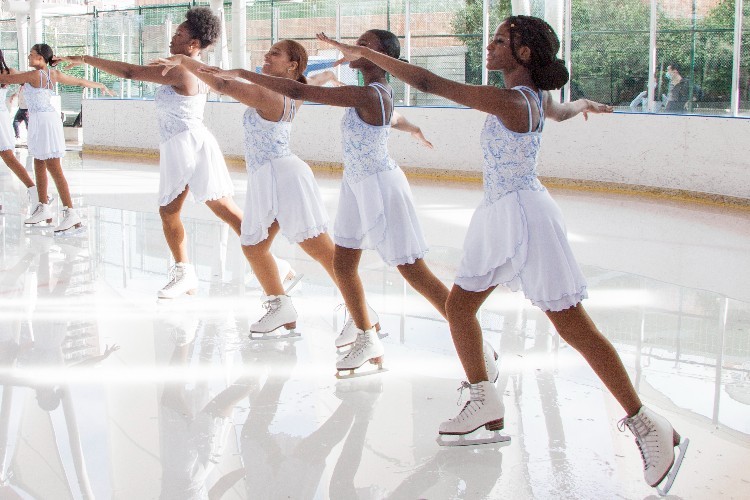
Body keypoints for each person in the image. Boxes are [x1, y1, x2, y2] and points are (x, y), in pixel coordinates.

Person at [317, 15, 689, 495]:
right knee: (460, 308)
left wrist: (364, 53)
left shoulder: (514, 101)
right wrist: (585, 103)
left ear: (524, 55)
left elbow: (430, 82)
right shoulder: (534, 99)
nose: (489, 46)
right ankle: (484, 399)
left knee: (572, 325)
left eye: (499, 41)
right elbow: (558, 111)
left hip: (526, 217)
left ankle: (647, 425)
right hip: (501, 211)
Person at [200, 30, 498, 377]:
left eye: (364, 45)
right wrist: (413, 126)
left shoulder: (368, 93)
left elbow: (298, 90)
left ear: (381, 57)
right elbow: (393, 118)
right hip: (357, 186)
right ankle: (367, 335)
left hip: (381, 187)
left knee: (416, 273)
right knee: (343, 266)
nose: (355, 48)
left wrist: (240, 73)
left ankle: (477, 344)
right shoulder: (375, 94)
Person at [58, 7, 247, 298]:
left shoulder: (182, 69)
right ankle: (191, 272)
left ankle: (194, 272)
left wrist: (84, 58)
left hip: (188, 146)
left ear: (193, 44)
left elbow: (130, 72)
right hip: (187, 144)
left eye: (180, 34)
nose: (173, 38)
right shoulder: (191, 66)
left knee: (191, 212)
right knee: (203, 212)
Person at [155, 40, 338, 337]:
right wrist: (327, 74)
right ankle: (281, 306)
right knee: (253, 245)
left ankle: (362, 311)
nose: (267, 55)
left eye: (275, 53)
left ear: (292, 65)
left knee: (319, 249)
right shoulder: (295, 90)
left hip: (283, 176)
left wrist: (183, 60)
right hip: (269, 176)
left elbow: (222, 85)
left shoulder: (269, 93)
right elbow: (312, 80)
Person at [0, 43, 111, 236]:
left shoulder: (34, 76)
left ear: (41, 58)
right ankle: (43, 206)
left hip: (45, 122)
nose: (28, 57)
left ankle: (71, 212)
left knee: (54, 168)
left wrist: (98, 84)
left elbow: (5, 78)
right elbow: (79, 82)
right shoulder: (52, 74)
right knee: (39, 163)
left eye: (32, 54)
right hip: (41, 120)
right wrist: (99, 84)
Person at [0, 49, 37, 212]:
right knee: (9, 158)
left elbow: (30, 78)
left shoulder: (8, 72)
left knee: (9, 158)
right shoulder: (8, 72)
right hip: (2, 117)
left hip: (1, 118)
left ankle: (34, 190)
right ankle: (34, 190)